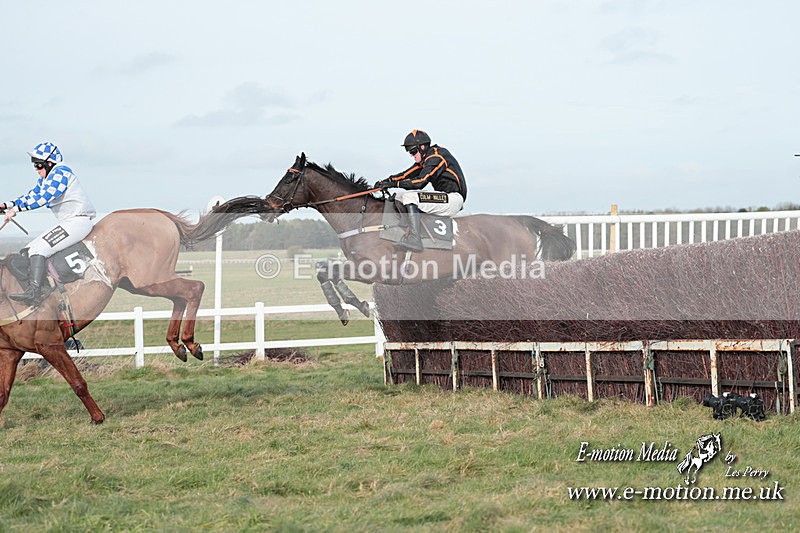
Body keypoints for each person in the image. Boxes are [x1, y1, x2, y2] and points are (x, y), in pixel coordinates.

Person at [1, 142, 96, 305]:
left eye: (38, 165)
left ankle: (36, 293)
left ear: (49, 163)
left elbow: (42, 199)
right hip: (70, 222)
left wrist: (16, 209)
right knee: (28, 250)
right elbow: (31, 196)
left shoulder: (61, 173)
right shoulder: (46, 179)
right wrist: (6, 205)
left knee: (38, 250)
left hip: (78, 221)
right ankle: (39, 287)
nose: (36, 169)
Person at [374, 130, 467, 252]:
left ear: (422, 147)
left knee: (410, 197)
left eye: (413, 151)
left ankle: (415, 239)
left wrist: (393, 184)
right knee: (399, 197)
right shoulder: (427, 158)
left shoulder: (436, 157)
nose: (411, 155)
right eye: (409, 152)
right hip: (444, 197)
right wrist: (386, 181)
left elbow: (420, 182)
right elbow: (406, 174)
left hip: (453, 198)